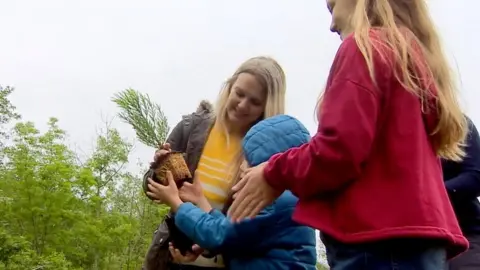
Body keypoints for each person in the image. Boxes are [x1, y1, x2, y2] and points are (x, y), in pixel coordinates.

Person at [228, 0, 470, 269]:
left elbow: (338, 150)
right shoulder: (415, 61)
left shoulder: (364, 48)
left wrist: (273, 172)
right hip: (419, 243)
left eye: (332, 8)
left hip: (376, 242)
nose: (331, 26)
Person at [142, 56, 287, 270]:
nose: (242, 104)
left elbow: (248, 230)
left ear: (267, 107)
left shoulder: (262, 156)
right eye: (239, 93)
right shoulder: (192, 127)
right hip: (168, 257)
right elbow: (149, 187)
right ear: (228, 87)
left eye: (255, 102)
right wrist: (159, 167)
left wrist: (209, 246)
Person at [147, 114, 317, 269]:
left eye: (249, 160)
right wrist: (201, 200)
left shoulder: (274, 200)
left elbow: (220, 234)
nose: (242, 166)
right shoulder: (288, 198)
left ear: (269, 165)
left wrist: (176, 203)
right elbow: (235, 233)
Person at [443, 116, 480, 270]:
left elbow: (475, 176)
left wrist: (431, 194)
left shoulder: (457, 122)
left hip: (464, 233)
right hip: (406, 241)